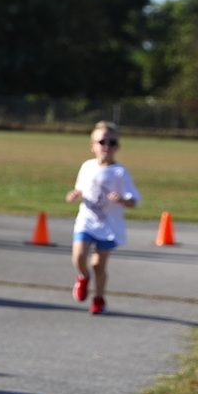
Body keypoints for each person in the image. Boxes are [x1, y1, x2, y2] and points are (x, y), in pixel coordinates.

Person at [66, 121, 139, 315]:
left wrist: (123, 200)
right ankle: (82, 276)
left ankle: (99, 299)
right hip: (87, 221)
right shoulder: (87, 166)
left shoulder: (120, 172)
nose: (107, 145)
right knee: (79, 256)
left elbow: (133, 200)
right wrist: (74, 194)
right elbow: (81, 188)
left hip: (109, 225)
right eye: (102, 141)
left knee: (99, 265)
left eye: (112, 142)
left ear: (117, 147)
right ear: (93, 146)